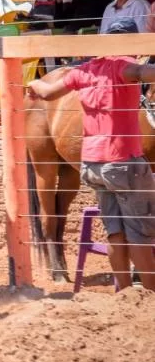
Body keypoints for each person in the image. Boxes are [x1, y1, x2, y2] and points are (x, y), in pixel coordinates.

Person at [27, 20, 155, 292]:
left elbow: (47, 92)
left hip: (93, 166)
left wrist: (33, 83)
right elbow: (146, 72)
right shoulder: (126, 67)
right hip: (124, 163)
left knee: (115, 232)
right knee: (141, 234)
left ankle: (124, 292)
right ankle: (151, 294)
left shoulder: (84, 71)